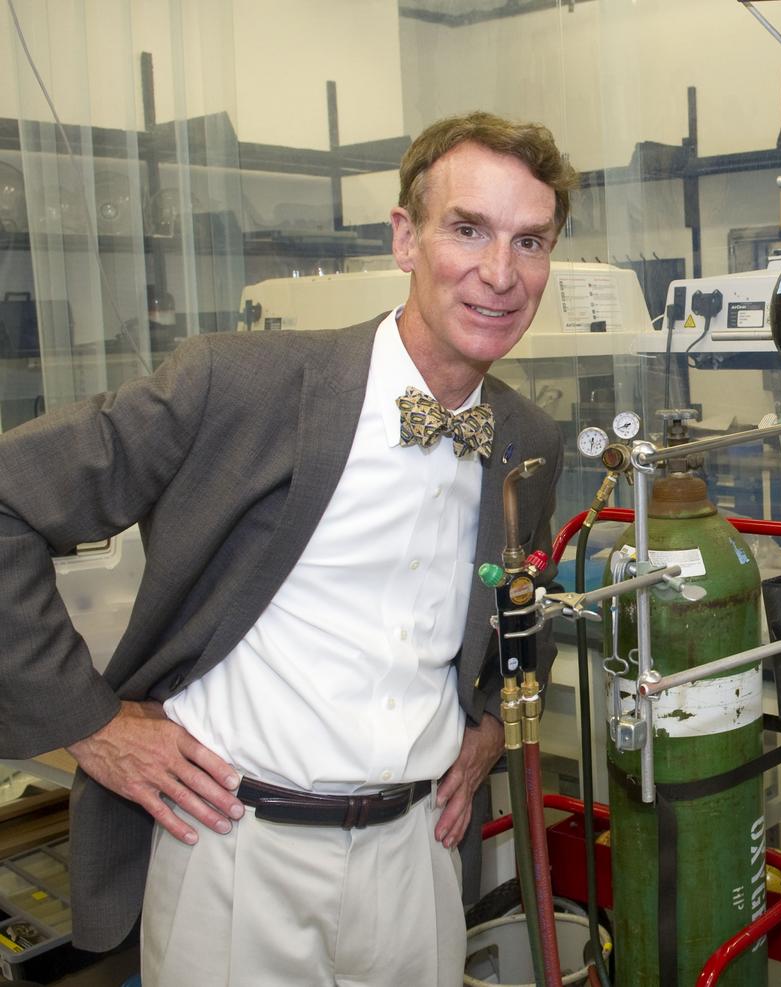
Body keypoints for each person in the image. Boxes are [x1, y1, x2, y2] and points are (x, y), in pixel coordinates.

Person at [0, 110, 576, 985]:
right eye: (468, 229)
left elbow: (519, 604)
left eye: (529, 242)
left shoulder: (527, 439)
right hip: (235, 856)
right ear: (404, 239)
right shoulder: (237, 385)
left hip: (419, 858)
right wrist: (90, 723)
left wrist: (492, 718)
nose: (500, 273)